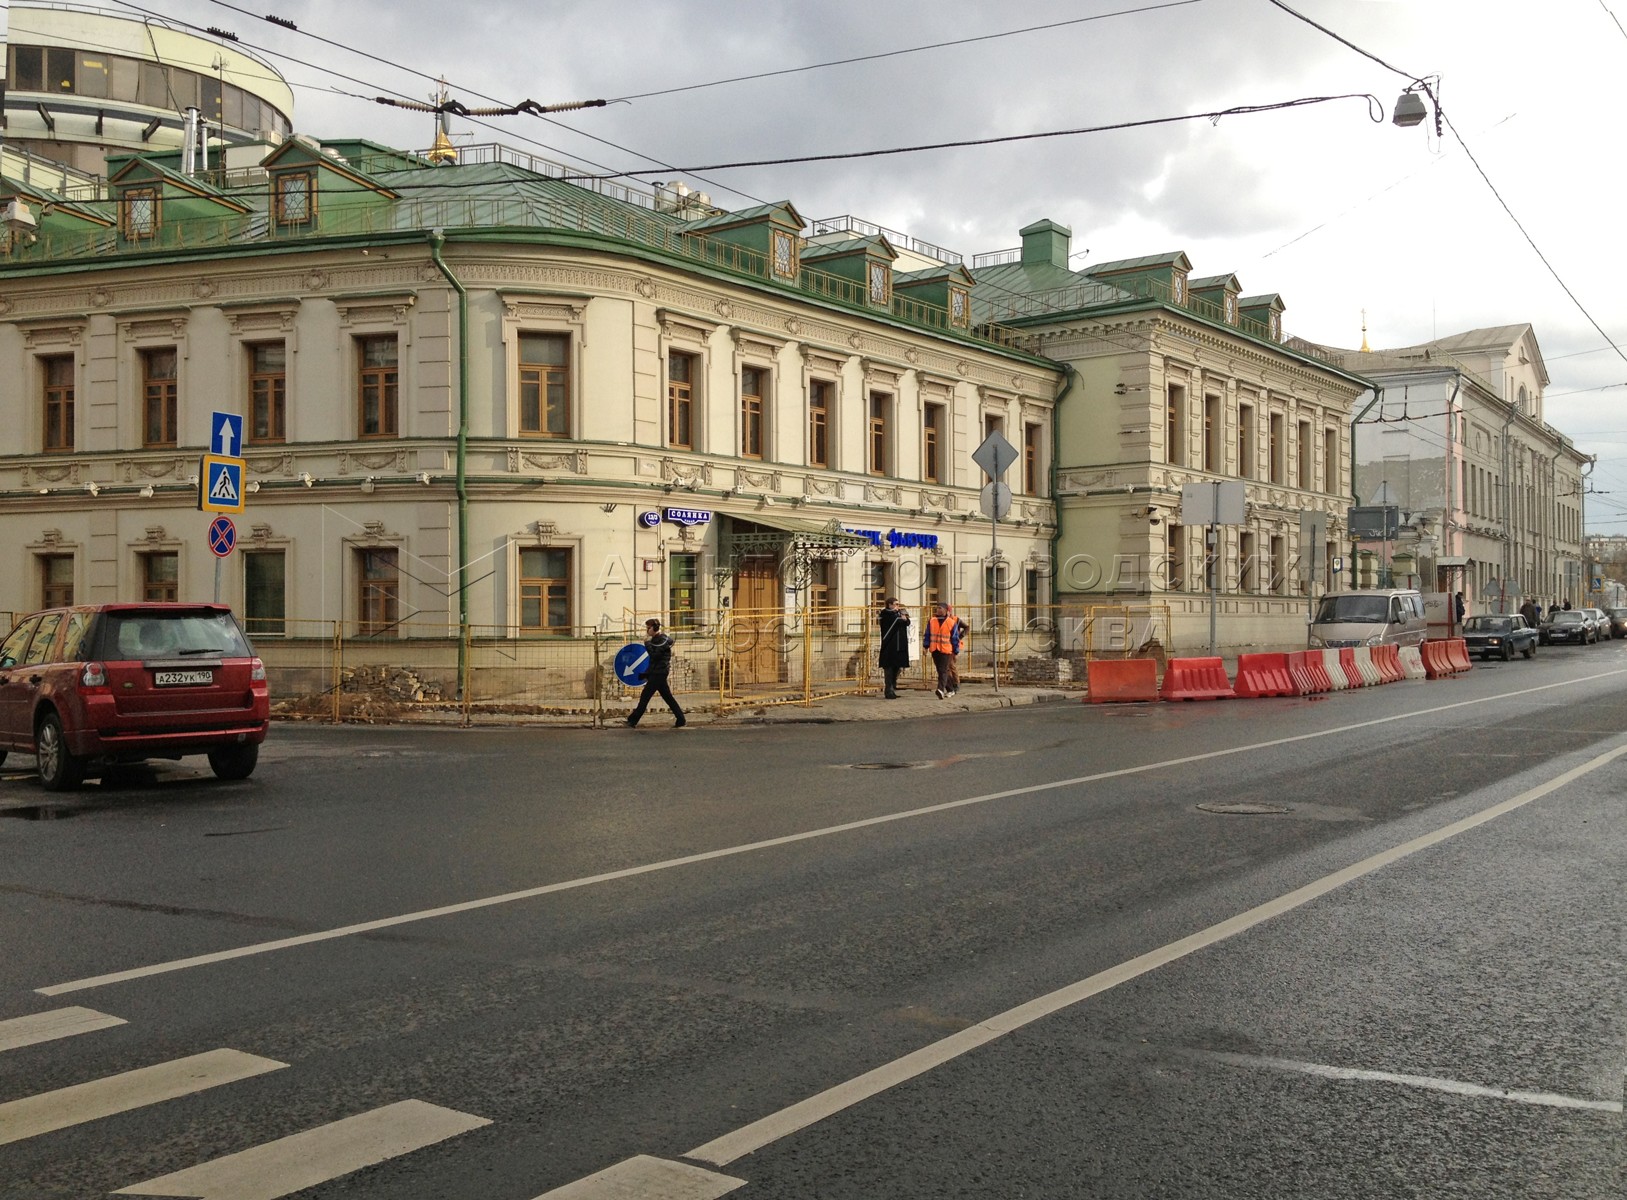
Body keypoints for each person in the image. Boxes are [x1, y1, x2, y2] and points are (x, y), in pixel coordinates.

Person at [626, 618, 685, 728]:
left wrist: (647, 643)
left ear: (654, 628)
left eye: (648, 628)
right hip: (657, 672)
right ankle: (681, 719)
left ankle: (632, 720)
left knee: (645, 697)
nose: (647, 631)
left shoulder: (662, 640)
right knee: (668, 697)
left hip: (659, 673)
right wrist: (647, 673)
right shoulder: (656, 639)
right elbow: (653, 660)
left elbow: (655, 655)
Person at [922, 602, 966, 699]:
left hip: (947, 650)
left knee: (943, 670)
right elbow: (927, 635)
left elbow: (955, 638)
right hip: (934, 649)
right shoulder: (932, 621)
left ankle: (940, 689)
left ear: (946, 610)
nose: (938, 610)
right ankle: (950, 689)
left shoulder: (951, 622)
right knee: (941, 670)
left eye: (940, 608)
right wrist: (925, 646)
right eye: (937, 608)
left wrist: (956, 651)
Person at [877, 597, 911, 699]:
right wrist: (901, 617)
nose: (898, 606)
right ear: (890, 605)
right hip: (889, 646)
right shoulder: (885, 614)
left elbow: (907, 622)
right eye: (896, 604)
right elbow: (895, 621)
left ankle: (893, 686)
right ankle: (889, 690)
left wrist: (905, 618)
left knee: (898, 667)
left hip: (899, 646)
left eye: (898, 604)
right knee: (889, 668)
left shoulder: (898, 614)